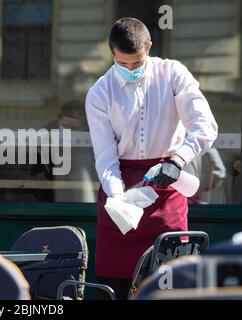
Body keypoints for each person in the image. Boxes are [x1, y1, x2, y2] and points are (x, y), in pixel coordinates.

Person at [85, 18, 218, 299]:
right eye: (123, 64)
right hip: (120, 188)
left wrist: (179, 159)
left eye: (137, 63)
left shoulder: (173, 74)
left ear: (149, 47)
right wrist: (119, 199)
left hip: (167, 185)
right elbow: (106, 158)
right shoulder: (100, 92)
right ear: (112, 53)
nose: (130, 70)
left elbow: (205, 126)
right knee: (115, 288)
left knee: (170, 281)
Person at [30, 100, 98, 202]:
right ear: (59, 119)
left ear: (84, 125)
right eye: (65, 127)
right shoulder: (46, 134)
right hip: (53, 193)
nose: (69, 132)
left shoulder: (92, 135)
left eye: (74, 128)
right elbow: (38, 175)